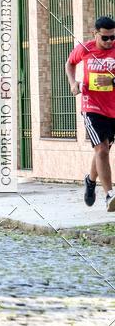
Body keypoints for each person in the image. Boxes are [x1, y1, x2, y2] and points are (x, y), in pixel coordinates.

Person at [65, 16, 115, 210]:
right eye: (105, 38)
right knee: (101, 150)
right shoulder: (85, 49)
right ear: (95, 34)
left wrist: (111, 82)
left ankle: (90, 181)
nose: (110, 41)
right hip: (92, 107)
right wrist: (73, 83)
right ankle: (110, 195)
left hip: (112, 109)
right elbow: (70, 63)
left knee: (102, 151)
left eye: (113, 37)